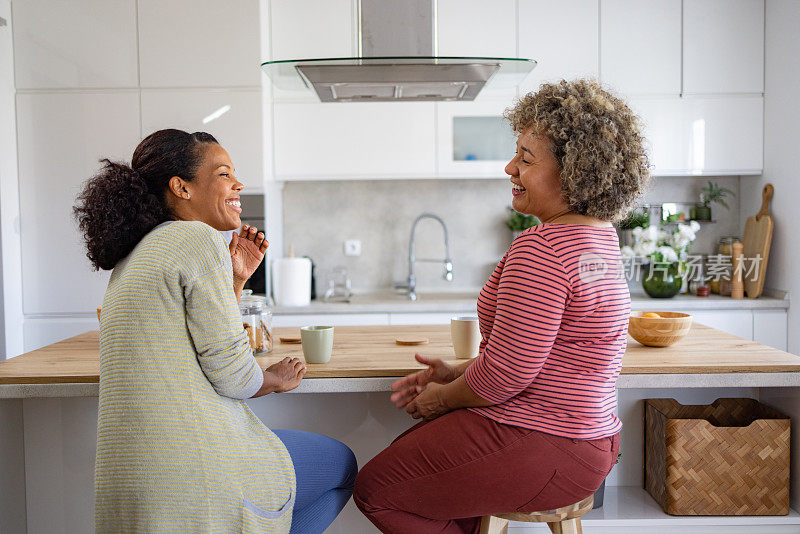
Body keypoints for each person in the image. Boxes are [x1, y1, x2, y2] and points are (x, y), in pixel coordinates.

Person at [353, 79, 650, 534]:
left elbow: (507, 376)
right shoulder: (599, 239)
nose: (510, 167)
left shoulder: (543, 250)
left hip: (544, 442)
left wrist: (442, 400)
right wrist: (458, 372)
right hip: (593, 443)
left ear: (575, 171)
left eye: (526, 159)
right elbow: (546, 354)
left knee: (377, 490)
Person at [74, 129, 357, 534]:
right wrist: (272, 379)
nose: (238, 183)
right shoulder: (197, 238)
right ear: (181, 187)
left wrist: (235, 280)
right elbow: (233, 376)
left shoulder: (137, 252)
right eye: (224, 173)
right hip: (191, 469)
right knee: (341, 465)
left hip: (133, 481)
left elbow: (191, 345)